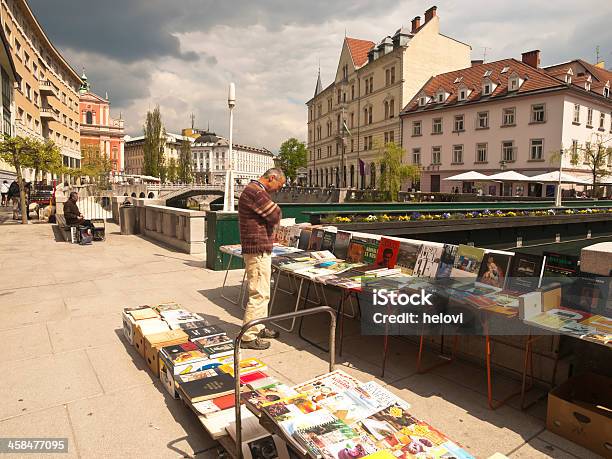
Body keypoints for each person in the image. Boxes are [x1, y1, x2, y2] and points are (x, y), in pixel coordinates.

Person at [238, 168, 286, 350]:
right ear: (272, 177)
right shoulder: (256, 192)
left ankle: (259, 327)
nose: (277, 190)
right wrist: (275, 214)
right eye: (278, 185)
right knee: (259, 293)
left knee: (263, 291)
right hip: (257, 249)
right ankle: (248, 336)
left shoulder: (253, 190)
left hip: (257, 248)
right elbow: (275, 215)